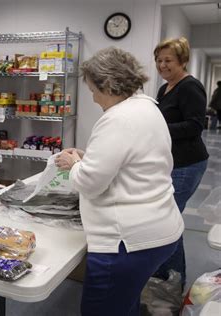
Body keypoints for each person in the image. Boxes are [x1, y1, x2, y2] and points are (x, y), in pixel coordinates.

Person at [55, 47, 184, 316]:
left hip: (127, 242)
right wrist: (88, 158)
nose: (92, 97)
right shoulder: (146, 106)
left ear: (109, 85)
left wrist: (74, 165)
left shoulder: (117, 119)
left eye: (93, 89)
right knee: (124, 303)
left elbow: (90, 183)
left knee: (101, 310)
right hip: (159, 227)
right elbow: (131, 163)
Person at [153, 37, 209, 288]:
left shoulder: (190, 87)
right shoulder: (164, 88)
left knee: (169, 220)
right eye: (159, 60)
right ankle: (164, 273)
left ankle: (175, 279)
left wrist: (158, 127)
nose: (162, 65)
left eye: (168, 60)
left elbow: (196, 125)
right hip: (170, 162)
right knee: (165, 219)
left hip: (188, 164)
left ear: (183, 61)